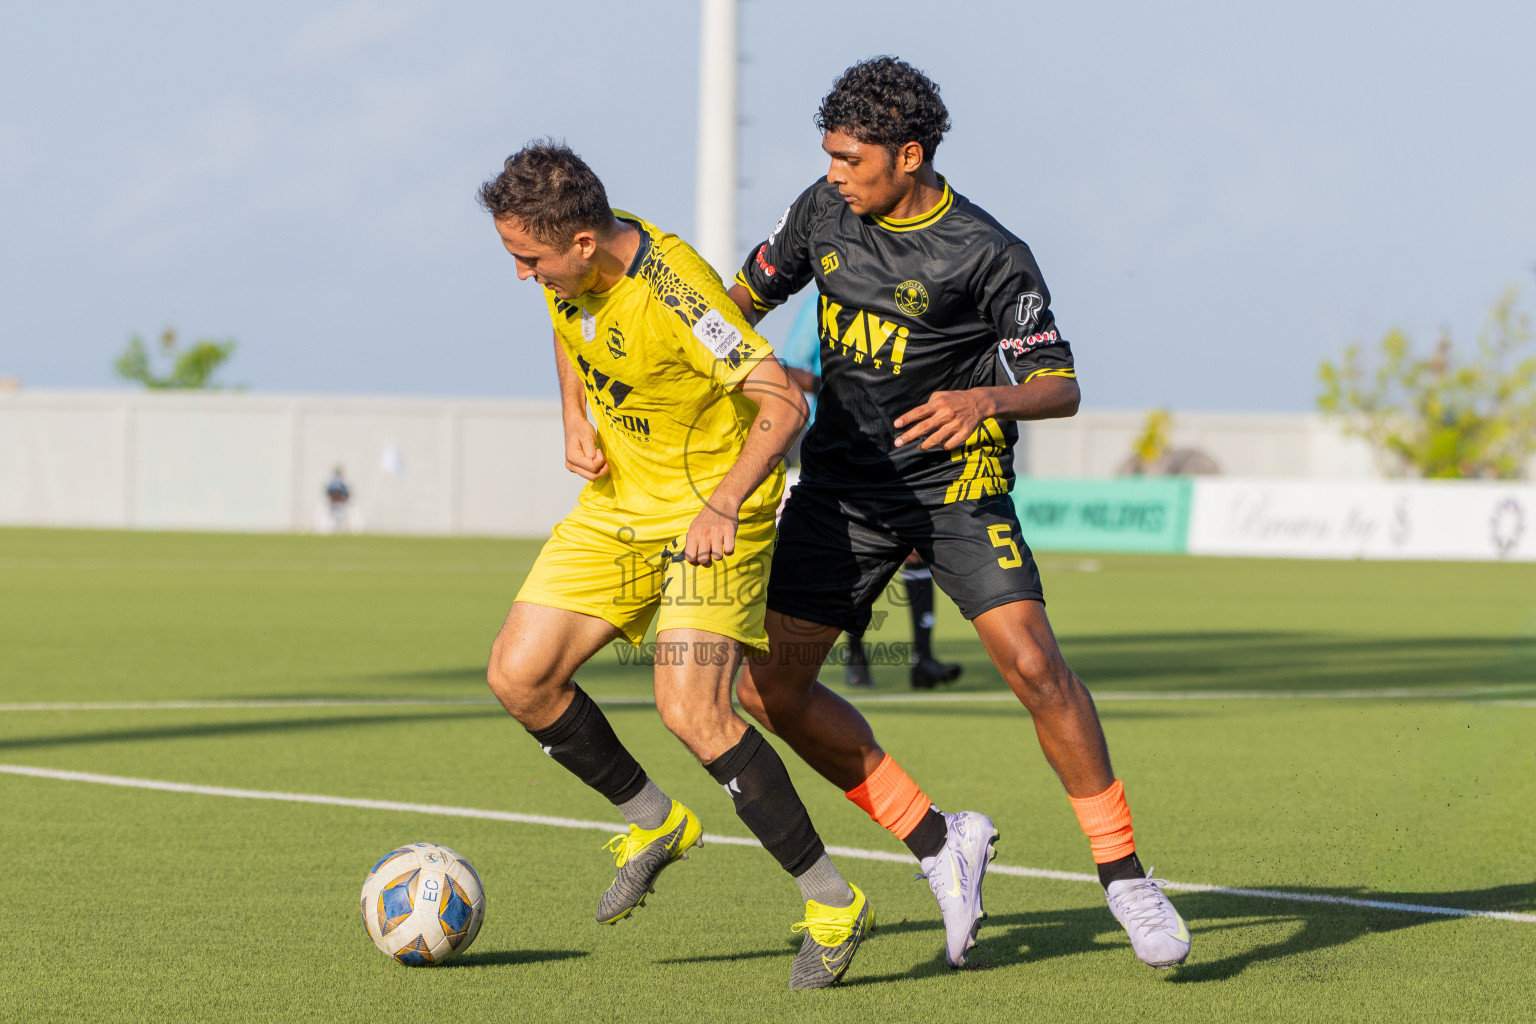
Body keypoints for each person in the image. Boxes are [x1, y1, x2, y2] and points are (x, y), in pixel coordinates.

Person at [727, 58, 1190, 970]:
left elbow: (1060, 386)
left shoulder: (988, 251)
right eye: (827, 155)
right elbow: (737, 303)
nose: (833, 173)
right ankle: (941, 840)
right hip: (844, 490)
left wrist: (986, 403)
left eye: (849, 158)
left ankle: (1126, 876)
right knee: (764, 689)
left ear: (909, 156)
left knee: (1032, 663)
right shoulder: (821, 212)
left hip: (955, 485)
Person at [477, 141, 871, 989]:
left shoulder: (677, 289)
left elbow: (782, 398)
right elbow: (568, 329)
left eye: (529, 259)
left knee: (691, 707)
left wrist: (725, 502)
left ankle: (832, 901)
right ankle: (653, 821)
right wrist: (573, 415)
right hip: (620, 507)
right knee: (518, 675)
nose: (523, 275)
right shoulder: (569, 275)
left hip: (712, 511)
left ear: (583, 243)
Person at [777, 297, 963, 691]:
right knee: (850, 545)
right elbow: (790, 367)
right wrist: (837, 386)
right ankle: (857, 660)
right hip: (836, 443)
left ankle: (923, 660)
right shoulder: (820, 303)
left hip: (901, 440)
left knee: (915, 543)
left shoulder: (902, 298)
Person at [323, 467, 351, 534]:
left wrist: (344, 500)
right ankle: (326, 530)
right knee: (330, 517)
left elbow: (346, 493)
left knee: (340, 518)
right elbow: (329, 492)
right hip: (333, 503)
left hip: (340, 503)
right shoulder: (331, 482)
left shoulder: (344, 482)